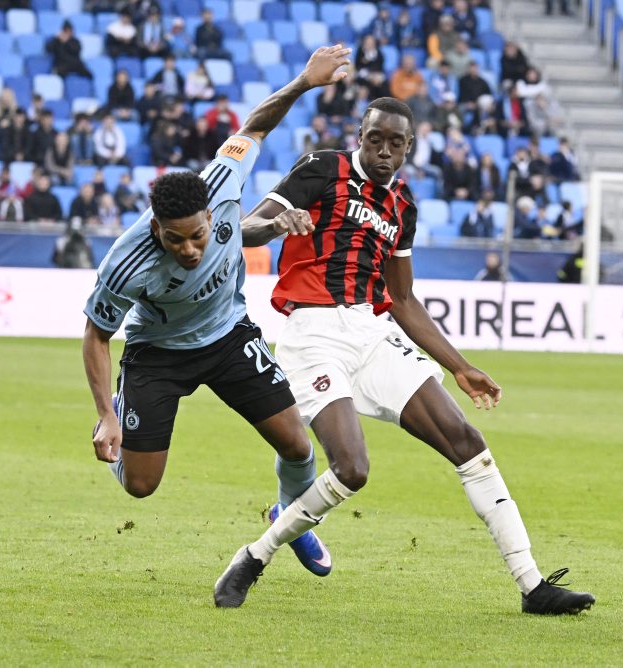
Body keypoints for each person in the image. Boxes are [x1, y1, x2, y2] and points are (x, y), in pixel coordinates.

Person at [219, 96, 596, 615]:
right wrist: (284, 223)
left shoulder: (402, 207)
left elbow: (402, 299)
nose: (384, 151)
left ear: (408, 149)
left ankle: (532, 585)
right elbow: (246, 227)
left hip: (371, 332)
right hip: (313, 333)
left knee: (466, 440)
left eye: (395, 144)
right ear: (360, 135)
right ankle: (254, 557)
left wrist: (460, 366)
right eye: (375, 139)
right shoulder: (321, 169)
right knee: (351, 468)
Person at [83, 46, 353, 604]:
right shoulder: (124, 262)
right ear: (155, 226)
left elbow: (255, 125)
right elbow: (96, 335)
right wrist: (106, 417)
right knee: (140, 485)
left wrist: (304, 81)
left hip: (229, 336)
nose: (188, 248)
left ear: (209, 214)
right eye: (174, 238)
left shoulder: (224, 179)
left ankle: (291, 517)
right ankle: (125, 442)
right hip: (157, 354)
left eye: (197, 235)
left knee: (299, 448)